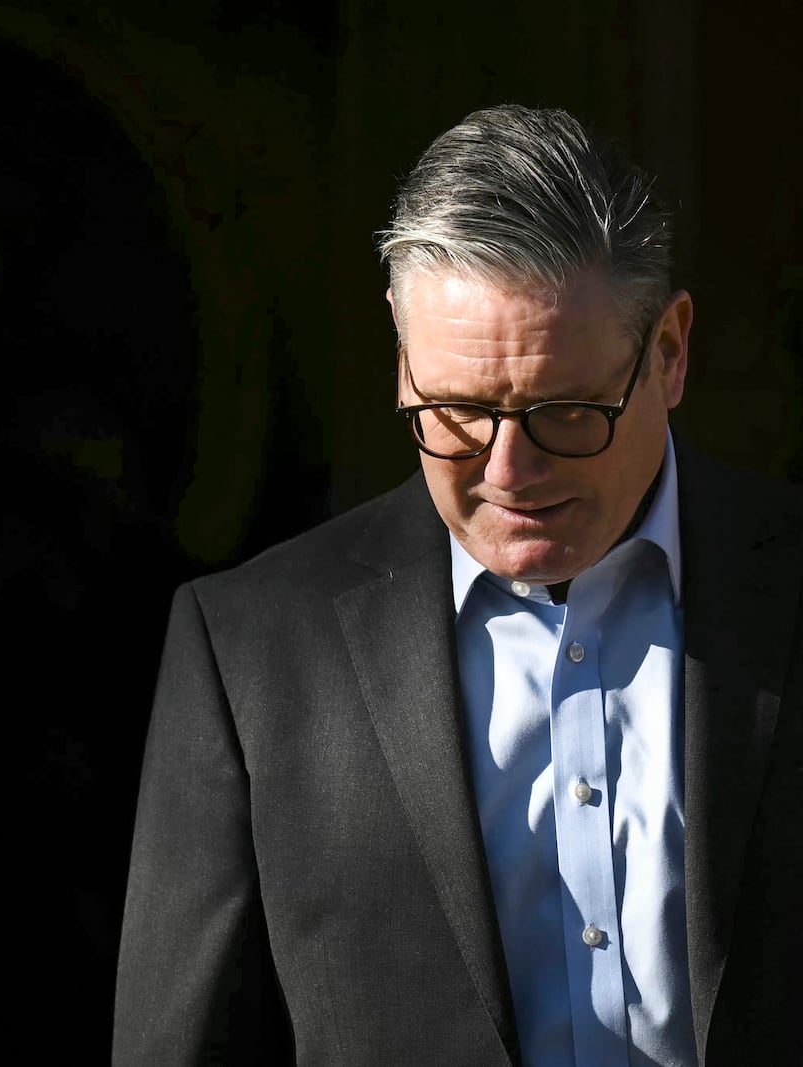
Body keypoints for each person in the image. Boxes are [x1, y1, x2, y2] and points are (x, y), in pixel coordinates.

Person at [113, 104, 803, 1065]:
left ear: (671, 351)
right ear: (403, 362)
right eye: (458, 411)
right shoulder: (249, 651)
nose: (509, 471)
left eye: (565, 411)